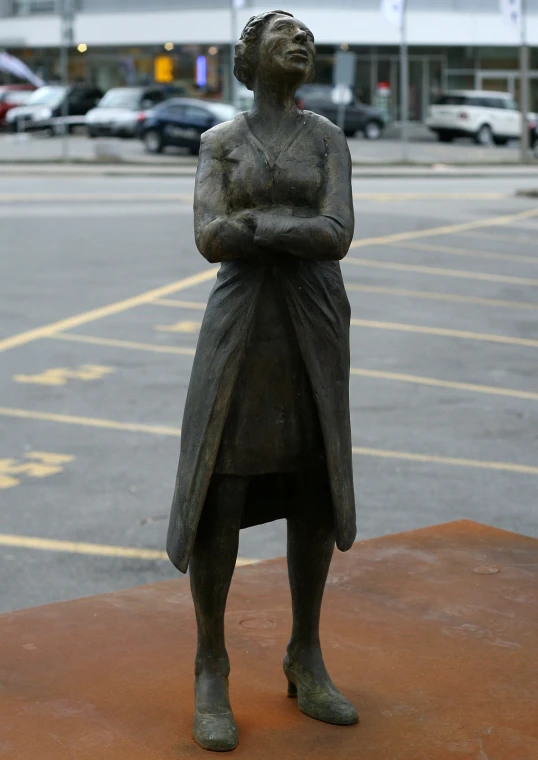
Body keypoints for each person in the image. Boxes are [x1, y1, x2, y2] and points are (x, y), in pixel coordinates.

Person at [167, 9, 358, 752]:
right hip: (241, 328)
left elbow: (337, 233)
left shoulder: (328, 140)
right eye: (285, 34)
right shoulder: (220, 142)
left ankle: (304, 654)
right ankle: (209, 662)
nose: (300, 42)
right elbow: (210, 235)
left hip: (312, 323)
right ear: (250, 57)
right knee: (224, 485)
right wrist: (287, 226)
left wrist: (260, 228)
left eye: (306, 35)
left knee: (314, 485)